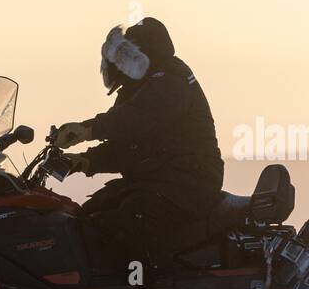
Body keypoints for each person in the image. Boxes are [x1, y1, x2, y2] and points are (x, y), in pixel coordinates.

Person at [53, 17, 224, 272]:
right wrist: (85, 161)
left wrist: (88, 129)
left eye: (126, 55)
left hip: (190, 179)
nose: (118, 64)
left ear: (144, 55)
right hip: (156, 179)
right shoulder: (136, 90)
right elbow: (126, 145)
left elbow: (136, 120)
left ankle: (153, 287)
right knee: (87, 215)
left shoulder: (172, 80)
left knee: (136, 216)